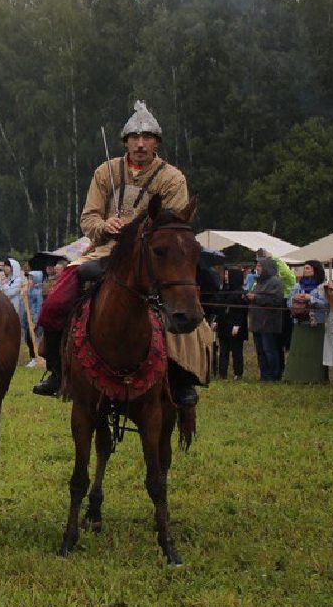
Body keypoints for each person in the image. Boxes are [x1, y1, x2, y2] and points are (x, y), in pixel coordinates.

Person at [32, 101, 213, 404]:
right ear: (126, 141)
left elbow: (173, 223)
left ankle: (182, 376)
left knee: (183, 307)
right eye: (134, 138)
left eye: (147, 138)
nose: (140, 144)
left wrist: (132, 228)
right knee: (54, 303)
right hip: (104, 250)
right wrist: (105, 224)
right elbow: (87, 219)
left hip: (154, 256)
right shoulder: (106, 172)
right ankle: (57, 371)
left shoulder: (172, 179)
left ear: (157, 142)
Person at [247, 255, 286, 382]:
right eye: (257, 265)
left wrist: (256, 298)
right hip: (257, 321)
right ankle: (264, 375)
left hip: (269, 323)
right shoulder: (258, 282)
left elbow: (276, 300)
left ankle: (274, 376)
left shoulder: (275, 281)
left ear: (267, 267)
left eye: (259, 266)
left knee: (270, 350)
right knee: (260, 351)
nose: (257, 268)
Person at [212, 265, 249, 379]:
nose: (227, 277)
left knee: (236, 351)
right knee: (223, 350)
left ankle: (238, 373)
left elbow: (242, 310)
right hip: (223, 324)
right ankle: (222, 373)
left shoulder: (240, 292)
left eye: (229, 275)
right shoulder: (224, 290)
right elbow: (220, 308)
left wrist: (237, 325)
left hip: (235, 325)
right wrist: (216, 320)